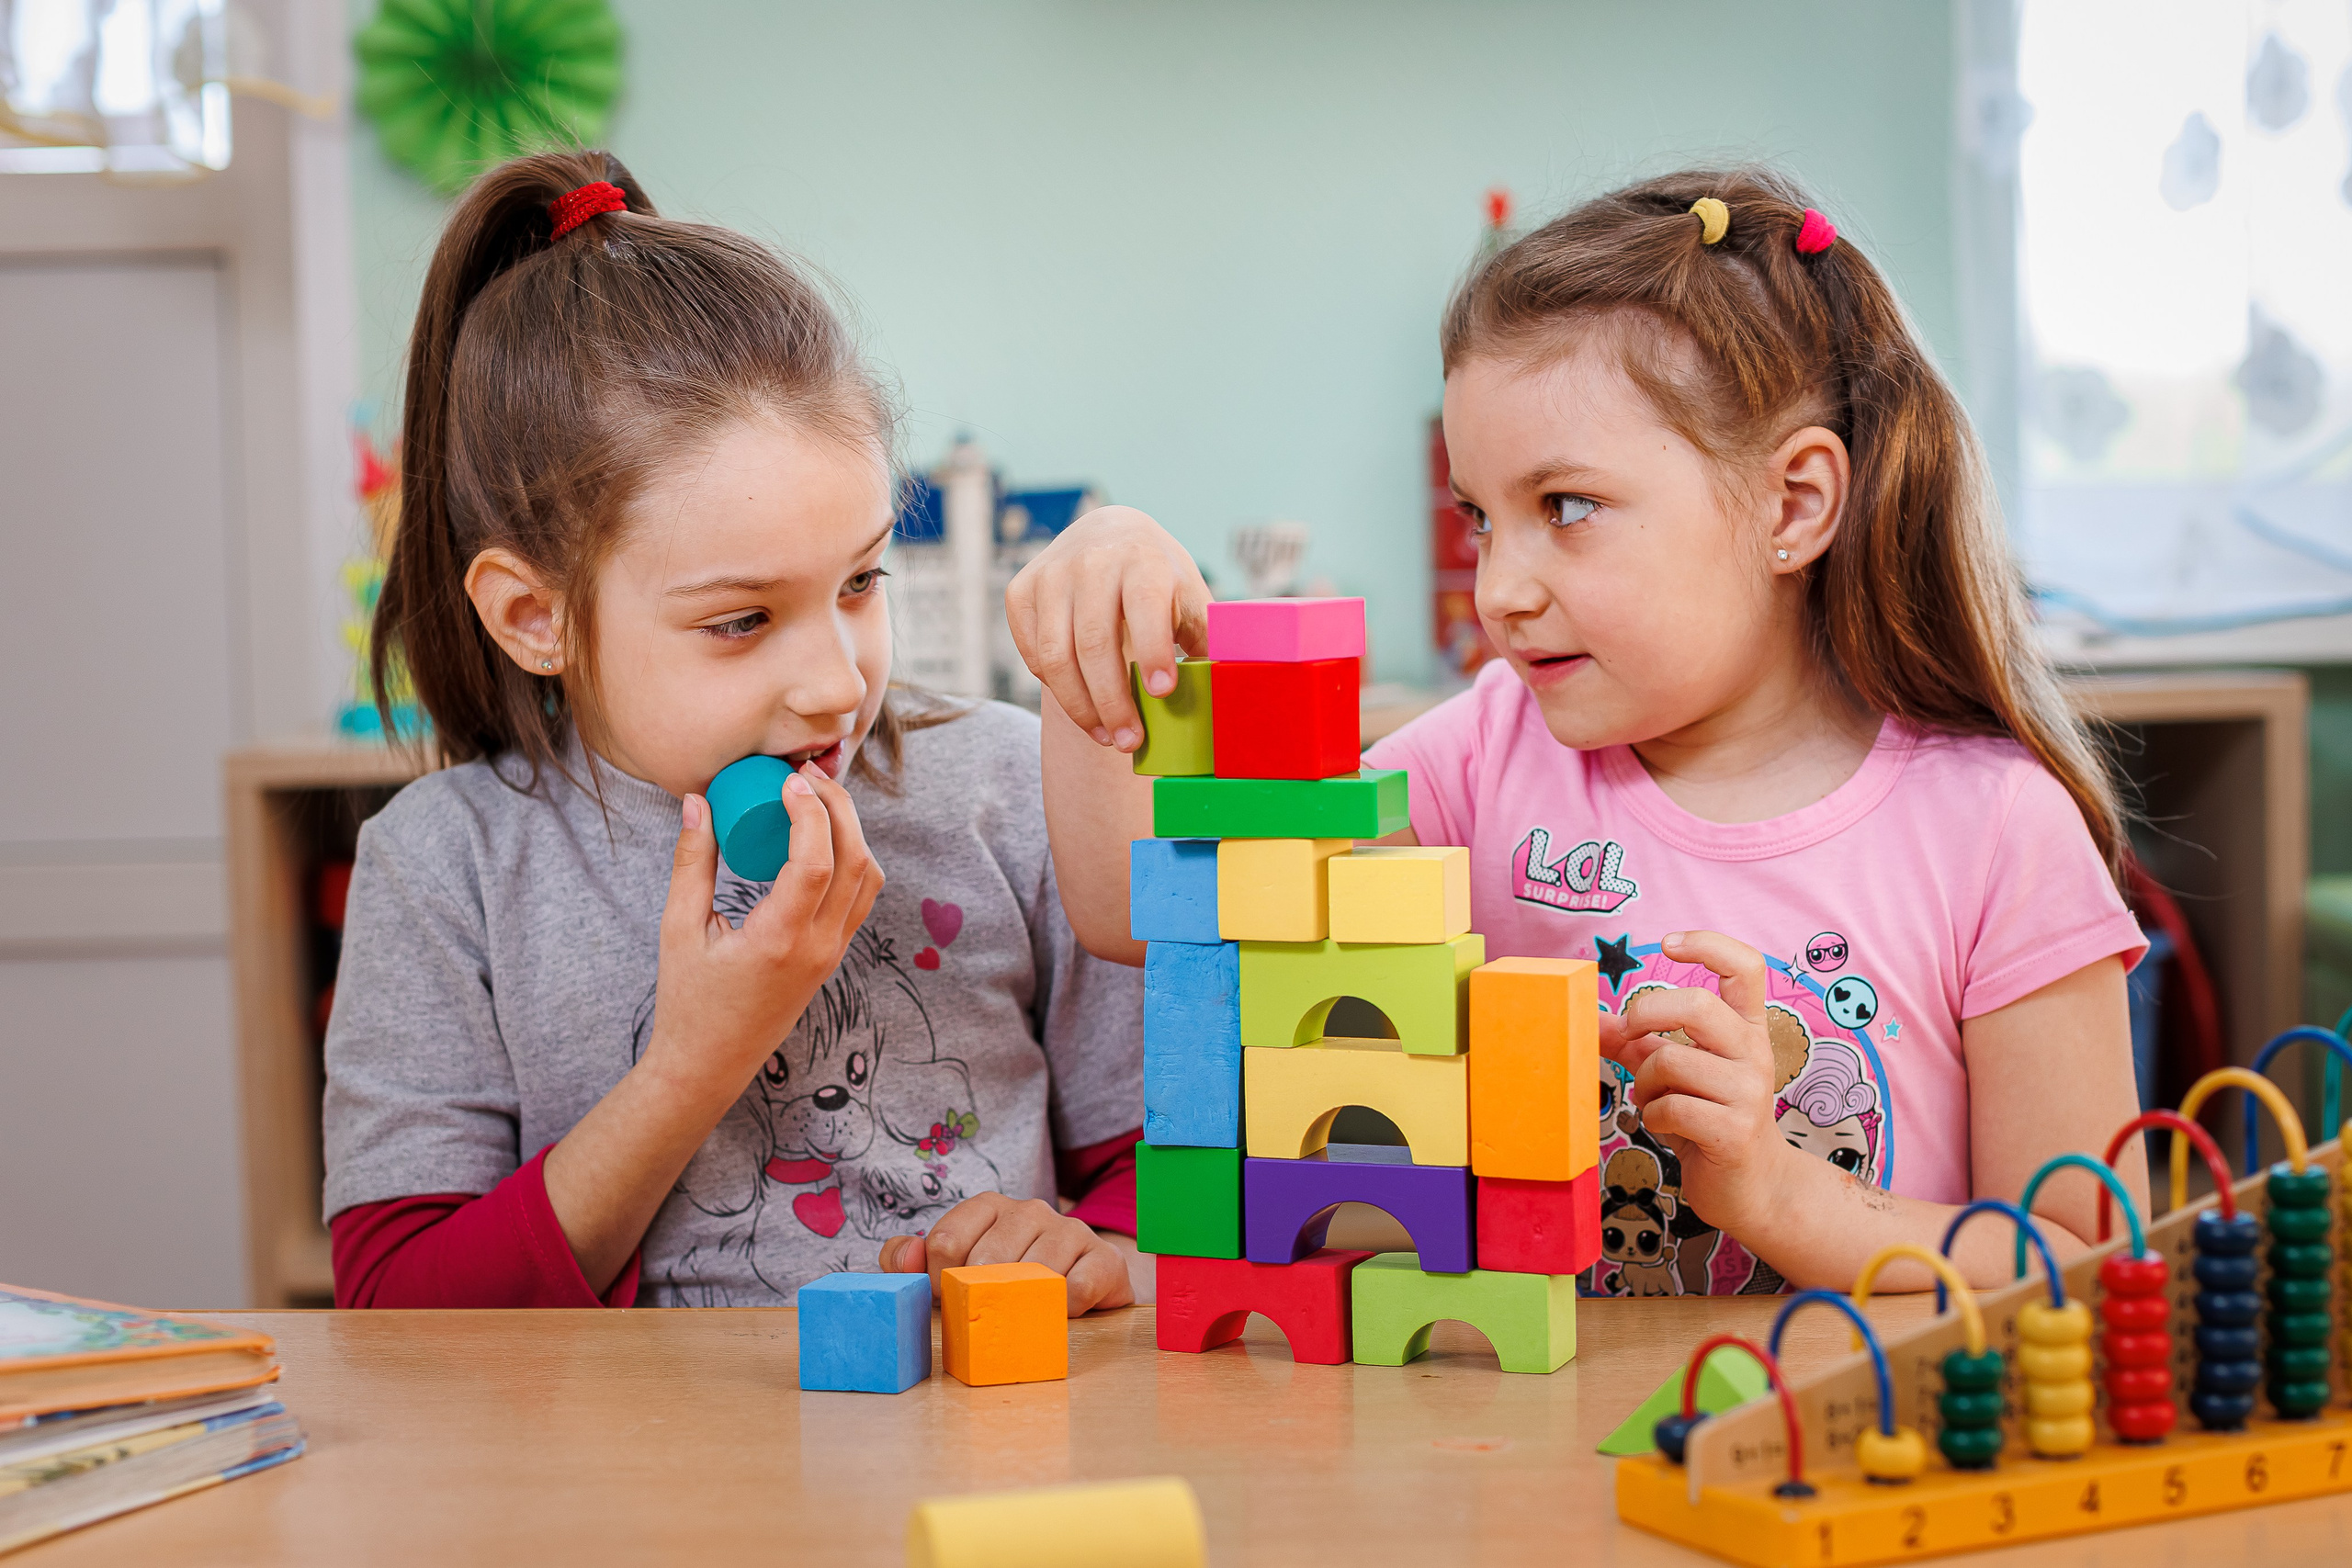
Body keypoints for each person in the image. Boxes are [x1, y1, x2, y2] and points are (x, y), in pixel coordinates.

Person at [1006, 168, 2147, 1295]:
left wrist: (1777, 1194)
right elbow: (1133, 908)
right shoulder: (1479, 761)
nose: (1497, 586)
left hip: (1849, 1447)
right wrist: (1094, 630)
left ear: (1793, 504)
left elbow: (2088, 1254)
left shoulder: (1997, 830)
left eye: (1566, 508)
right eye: (1479, 517)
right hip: (1538, 1458)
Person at [322, 152, 1143, 1314]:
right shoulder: (445, 867)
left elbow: (1155, 1180)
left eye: (859, 582)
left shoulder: (1004, 787)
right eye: (741, 620)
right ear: (533, 617)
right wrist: (698, 1057)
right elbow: (402, 1310)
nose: (832, 685)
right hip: (635, 1482)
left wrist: (1095, 1252)